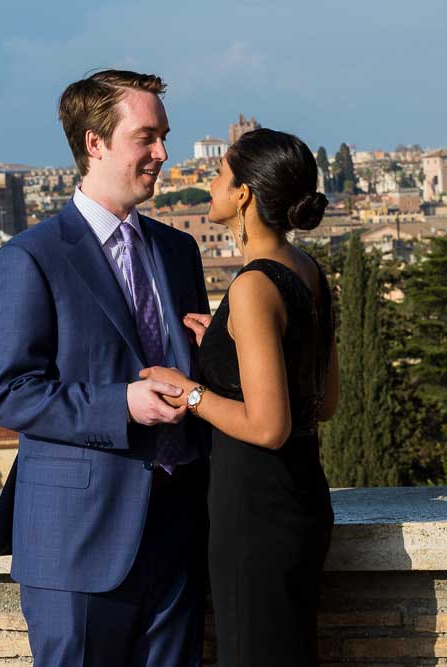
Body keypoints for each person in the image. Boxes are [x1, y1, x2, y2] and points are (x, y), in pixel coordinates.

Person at [0, 70, 211, 667]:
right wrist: (122, 405)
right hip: (77, 540)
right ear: (95, 143)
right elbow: (8, 393)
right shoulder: (30, 257)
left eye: (164, 137)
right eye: (147, 137)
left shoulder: (179, 251)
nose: (163, 153)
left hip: (179, 528)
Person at [142, 128, 340, 666]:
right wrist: (227, 349)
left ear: (244, 195)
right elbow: (323, 402)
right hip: (301, 495)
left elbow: (268, 426)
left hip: (255, 508)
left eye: (219, 175)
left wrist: (192, 393)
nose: (209, 183)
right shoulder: (310, 272)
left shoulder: (252, 287)